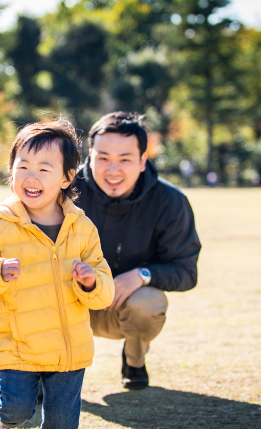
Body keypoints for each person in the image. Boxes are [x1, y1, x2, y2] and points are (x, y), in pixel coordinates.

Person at [0, 119, 115, 429]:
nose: (31, 176)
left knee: (62, 423)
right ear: (11, 170)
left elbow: (105, 290)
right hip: (17, 345)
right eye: (22, 166)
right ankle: (4, 424)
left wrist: (92, 281)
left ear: (67, 177)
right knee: (16, 410)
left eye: (44, 169)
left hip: (68, 348)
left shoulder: (81, 228)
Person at [72, 112, 201, 390]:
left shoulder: (171, 202)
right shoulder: (66, 191)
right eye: (103, 158)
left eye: (125, 159)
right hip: (71, 301)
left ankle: (134, 359)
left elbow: (187, 271)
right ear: (90, 156)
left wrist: (142, 275)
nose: (113, 170)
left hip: (123, 306)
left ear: (143, 161)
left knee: (149, 302)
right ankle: (39, 374)